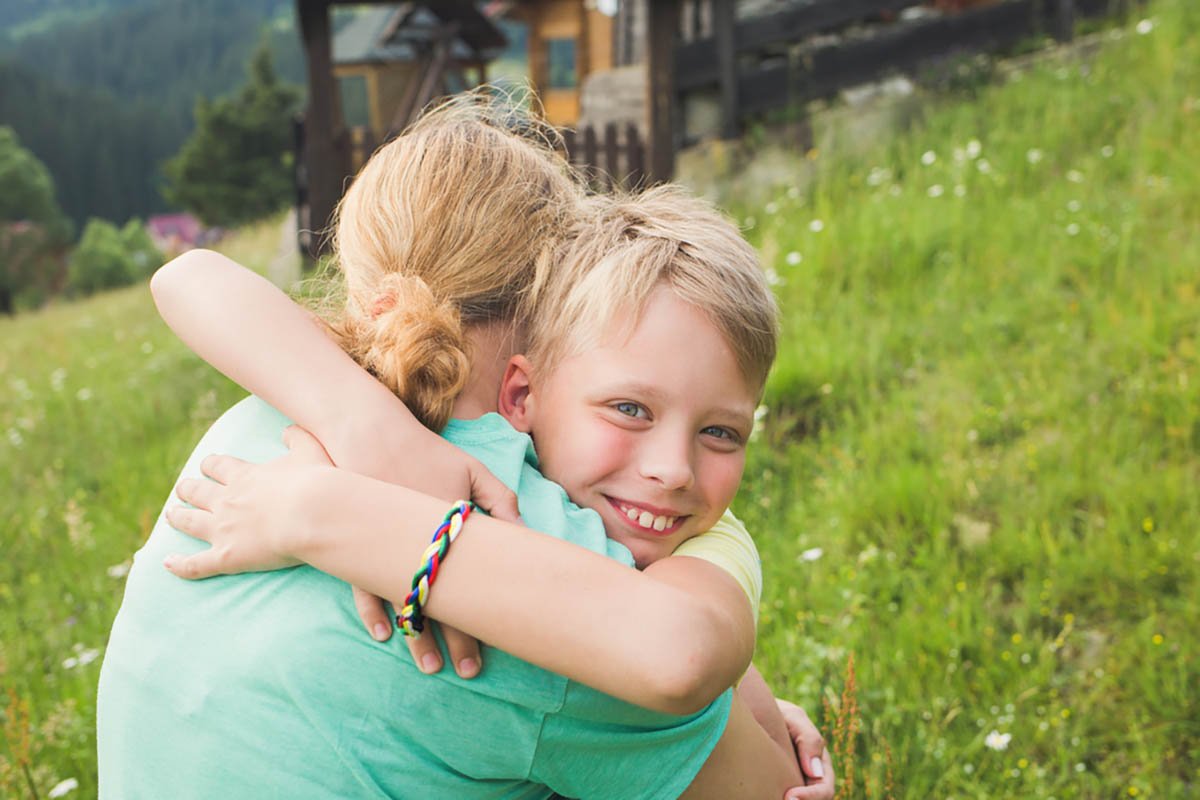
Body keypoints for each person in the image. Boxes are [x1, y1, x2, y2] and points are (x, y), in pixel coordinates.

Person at [99, 98, 830, 799]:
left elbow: (190, 277)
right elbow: (768, 780)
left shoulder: (255, 419)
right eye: (631, 408)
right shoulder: (531, 547)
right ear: (560, 308)